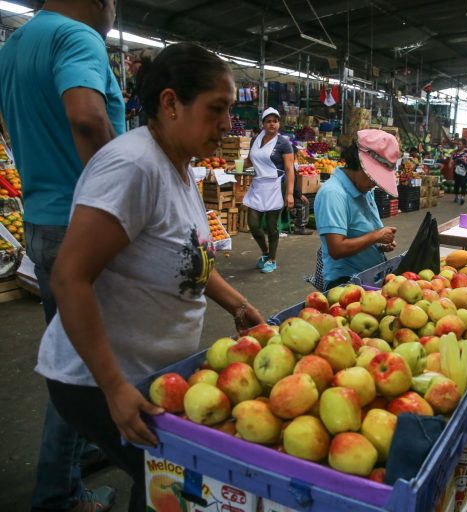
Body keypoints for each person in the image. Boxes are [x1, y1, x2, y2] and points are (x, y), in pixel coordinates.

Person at [33, 43, 265, 512]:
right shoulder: (132, 166)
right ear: (171, 103)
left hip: (151, 375)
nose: (227, 124)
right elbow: (69, 279)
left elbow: (190, 258)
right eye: (216, 109)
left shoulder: (177, 165)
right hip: (98, 380)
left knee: (163, 479)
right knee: (166, 479)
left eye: (230, 110)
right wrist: (115, 389)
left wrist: (237, 305)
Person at [0, 1, 124, 510]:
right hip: (84, 226)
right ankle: (59, 494)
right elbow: (87, 117)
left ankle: (87, 448)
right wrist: (123, 191)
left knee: (71, 350)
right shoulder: (77, 38)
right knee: (82, 364)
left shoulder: (14, 46)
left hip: (40, 220)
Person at [314, 129, 399, 290]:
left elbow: (360, 231)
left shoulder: (364, 188)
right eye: (373, 179)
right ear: (360, 165)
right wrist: (375, 236)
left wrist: (379, 244)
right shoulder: (333, 194)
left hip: (369, 277)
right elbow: (337, 248)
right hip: (346, 283)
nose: (374, 184)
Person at [243, 107, 295, 273]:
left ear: (279, 124)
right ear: (263, 124)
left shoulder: (283, 143)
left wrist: (290, 194)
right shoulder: (255, 140)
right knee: (253, 224)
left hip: (275, 186)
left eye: (275, 121)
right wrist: (236, 166)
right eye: (268, 121)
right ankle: (265, 252)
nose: (272, 124)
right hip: (258, 185)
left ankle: (272, 259)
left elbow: (289, 169)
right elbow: (250, 160)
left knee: (272, 226)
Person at [451, 138, 467, 205]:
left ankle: (462, 197)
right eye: (458, 144)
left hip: (466, 170)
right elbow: (452, 159)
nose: (458, 145)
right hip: (457, 170)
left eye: (460, 144)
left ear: (464, 145)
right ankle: (456, 196)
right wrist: (450, 163)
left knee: (463, 183)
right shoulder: (455, 152)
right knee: (456, 184)